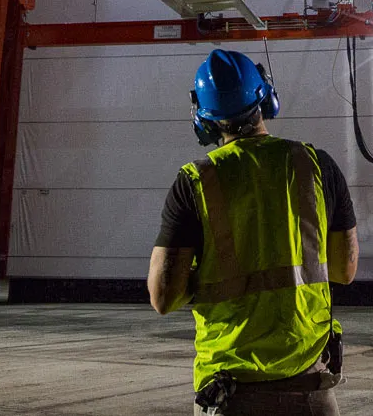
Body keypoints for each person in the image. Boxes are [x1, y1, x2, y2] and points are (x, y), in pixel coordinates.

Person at [148, 49, 360, 416]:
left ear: (204, 118)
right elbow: (344, 270)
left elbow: (163, 297)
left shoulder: (195, 182)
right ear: (266, 98)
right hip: (309, 389)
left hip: (230, 393)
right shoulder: (316, 165)